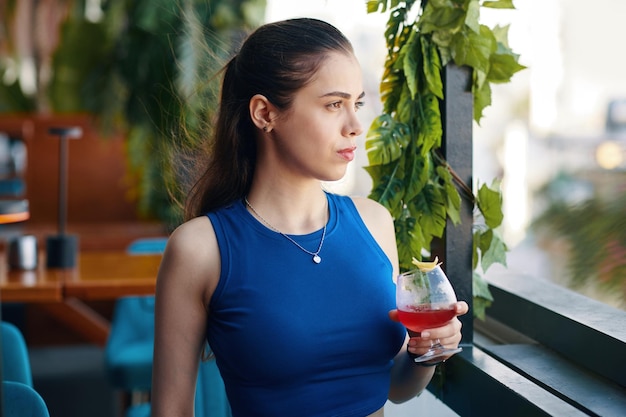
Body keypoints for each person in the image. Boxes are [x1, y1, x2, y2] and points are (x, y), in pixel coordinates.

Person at [151, 17, 468, 417]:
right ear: (265, 113)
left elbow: (393, 388)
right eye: (334, 105)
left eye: (357, 104)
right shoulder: (200, 249)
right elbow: (171, 411)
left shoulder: (374, 222)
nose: (355, 126)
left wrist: (429, 349)